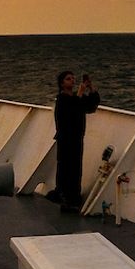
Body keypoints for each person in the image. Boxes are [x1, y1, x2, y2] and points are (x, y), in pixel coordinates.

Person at [48, 70, 100, 212]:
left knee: (76, 168)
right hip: (66, 139)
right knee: (66, 167)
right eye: (68, 79)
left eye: (73, 78)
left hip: (77, 138)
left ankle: (73, 197)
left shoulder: (75, 99)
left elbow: (91, 106)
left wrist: (91, 88)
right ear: (62, 83)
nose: (72, 81)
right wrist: (80, 93)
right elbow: (71, 112)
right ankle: (65, 197)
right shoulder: (62, 100)